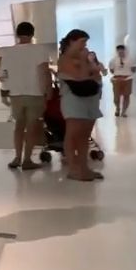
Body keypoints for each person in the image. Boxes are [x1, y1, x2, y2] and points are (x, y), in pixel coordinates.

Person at [0, 22, 53, 170]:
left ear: (17, 34)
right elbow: (44, 72)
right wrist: (48, 91)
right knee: (32, 127)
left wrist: (5, 92)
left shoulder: (7, 52)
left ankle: (17, 157)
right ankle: (27, 159)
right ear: (32, 34)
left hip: (15, 95)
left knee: (19, 127)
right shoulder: (40, 50)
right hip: (35, 93)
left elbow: (3, 75)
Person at [58, 30, 105, 182]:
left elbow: (97, 75)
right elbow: (82, 77)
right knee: (73, 135)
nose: (85, 46)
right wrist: (86, 64)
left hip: (90, 99)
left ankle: (84, 168)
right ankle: (73, 169)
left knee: (85, 136)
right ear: (72, 41)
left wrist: (89, 65)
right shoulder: (64, 59)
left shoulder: (84, 59)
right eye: (82, 42)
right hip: (74, 100)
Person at [108, 44, 136, 117]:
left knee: (126, 95)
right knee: (116, 96)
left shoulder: (130, 59)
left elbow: (134, 69)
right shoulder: (113, 60)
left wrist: (127, 72)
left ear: (124, 50)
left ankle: (124, 111)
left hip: (127, 79)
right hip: (117, 79)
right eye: (119, 51)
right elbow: (111, 70)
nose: (120, 52)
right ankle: (117, 108)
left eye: (122, 51)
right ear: (117, 51)